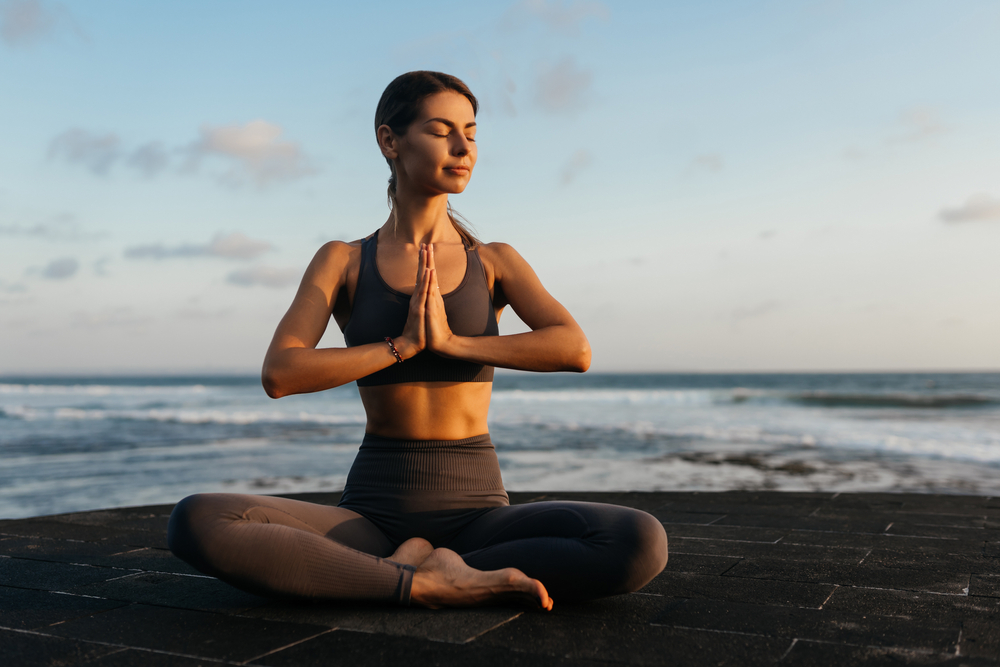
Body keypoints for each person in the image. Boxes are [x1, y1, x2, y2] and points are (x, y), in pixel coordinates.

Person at [167, 71, 667, 609]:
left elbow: (574, 348)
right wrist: (400, 346)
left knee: (639, 540)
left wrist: (454, 344)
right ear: (390, 140)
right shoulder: (344, 260)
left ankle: (413, 572)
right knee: (198, 519)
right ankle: (424, 581)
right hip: (372, 515)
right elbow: (281, 373)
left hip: (479, 515)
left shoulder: (494, 260)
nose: (463, 148)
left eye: (471, 134)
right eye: (441, 130)